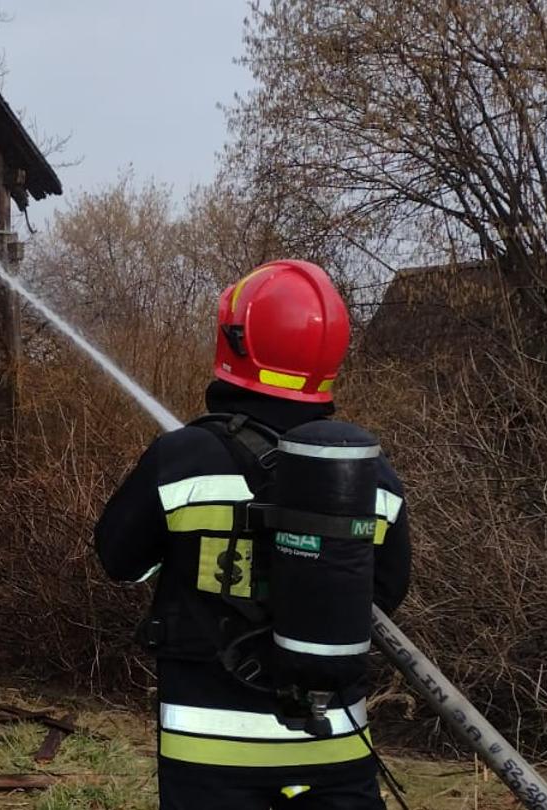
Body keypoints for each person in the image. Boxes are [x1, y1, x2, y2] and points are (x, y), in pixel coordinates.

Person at [93, 260, 412, 809]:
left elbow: (119, 560)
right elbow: (386, 594)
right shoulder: (371, 474)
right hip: (332, 749)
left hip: (210, 752)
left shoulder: (182, 458)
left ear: (236, 342)